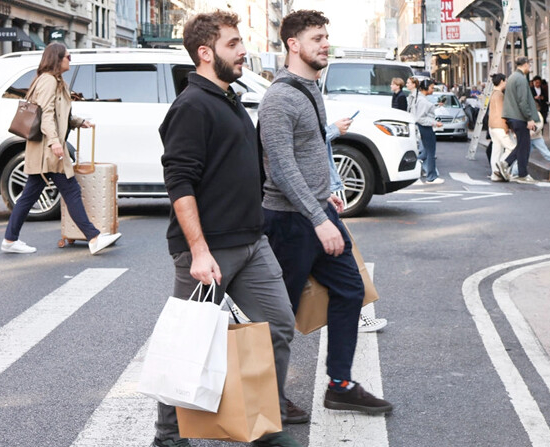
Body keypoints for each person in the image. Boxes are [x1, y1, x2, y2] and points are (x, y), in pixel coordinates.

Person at [156, 11, 303, 447]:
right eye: (234, 44)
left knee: (277, 325)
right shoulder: (191, 106)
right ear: (206, 53)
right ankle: (167, 438)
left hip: (252, 242)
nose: (243, 51)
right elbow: (179, 182)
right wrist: (198, 251)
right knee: (189, 344)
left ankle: (263, 424)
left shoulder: (229, 97)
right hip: (209, 251)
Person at [259, 9, 392, 416]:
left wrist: (327, 195)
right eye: (317, 38)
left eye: (326, 37)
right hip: (289, 221)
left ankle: (339, 385)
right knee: (280, 313)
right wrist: (318, 219)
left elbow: (311, 151)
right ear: (293, 45)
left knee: (351, 290)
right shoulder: (279, 97)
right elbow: (280, 168)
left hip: (317, 211)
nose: (325, 44)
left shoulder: (310, 88)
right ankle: (266, 396)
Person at [0, 43, 121, 255]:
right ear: (57, 59)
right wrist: (55, 142)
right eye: (68, 56)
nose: (70, 59)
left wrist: (79, 122)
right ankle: (93, 237)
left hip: (44, 148)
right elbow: (46, 115)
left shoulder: (55, 81)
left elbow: (59, 114)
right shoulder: (48, 81)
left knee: (30, 194)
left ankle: (10, 240)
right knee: (70, 189)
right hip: (48, 149)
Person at [324, 121, 388, 333]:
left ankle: (355, 315)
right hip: (309, 201)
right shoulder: (287, 96)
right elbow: (305, 145)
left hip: (317, 195)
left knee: (339, 260)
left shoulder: (304, 94)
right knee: (340, 258)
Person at [496, 56, 541, 184]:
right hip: (519, 117)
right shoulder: (521, 79)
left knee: (523, 145)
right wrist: (529, 118)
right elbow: (523, 101)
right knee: (524, 145)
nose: (530, 67)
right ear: (525, 64)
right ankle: (518, 171)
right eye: (529, 65)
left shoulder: (512, 77)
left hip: (513, 116)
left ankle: (511, 167)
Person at [510, 101, 550, 177]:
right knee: (522, 155)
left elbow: (539, 126)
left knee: (545, 153)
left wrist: (530, 132)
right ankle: (515, 171)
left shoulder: (537, 115)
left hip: (536, 138)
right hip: (528, 138)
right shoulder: (528, 115)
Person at [407, 77, 444, 184]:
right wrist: (435, 123)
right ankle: (431, 177)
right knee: (430, 153)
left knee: (426, 152)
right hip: (425, 128)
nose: (433, 90)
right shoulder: (422, 100)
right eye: (431, 88)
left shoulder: (419, 98)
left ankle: (427, 174)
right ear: (426, 88)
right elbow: (420, 118)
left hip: (423, 127)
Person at [487, 73, 516, 182]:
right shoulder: (500, 95)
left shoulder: (493, 93)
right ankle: (502, 166)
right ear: (502, 81)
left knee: (496, 150)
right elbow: (502, 112)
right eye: (506, 81)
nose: (507, 83)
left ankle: (495, 174)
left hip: (492, 126)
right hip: (500, 126)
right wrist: (506, 126)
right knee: (512, 148)